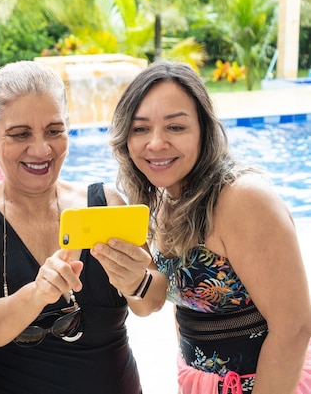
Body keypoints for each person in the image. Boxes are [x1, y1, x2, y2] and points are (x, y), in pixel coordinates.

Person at [0, 60, 167, 394]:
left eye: (54, 131)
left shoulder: (105, 201)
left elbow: (152, 301)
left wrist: (137, 281)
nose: (41, 149)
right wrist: (38, 293)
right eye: (20, 134)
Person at [97, 60, 311, 393]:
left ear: (203, 131)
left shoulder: (242, 199)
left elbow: (294, 327)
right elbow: (152, 304)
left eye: (176, 127)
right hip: (205, 383)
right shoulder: (165, 199)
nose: (155, 143)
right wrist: (129, 278)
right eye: (140, 129)